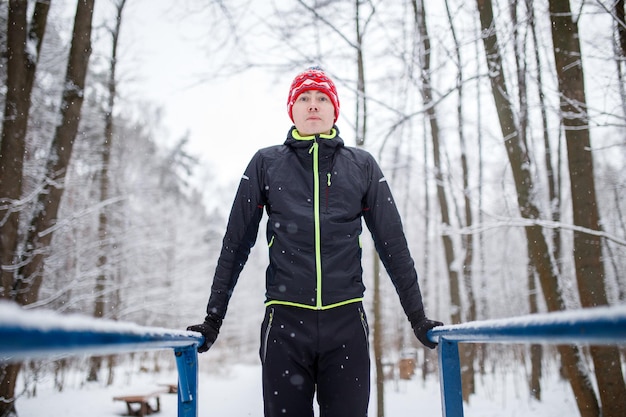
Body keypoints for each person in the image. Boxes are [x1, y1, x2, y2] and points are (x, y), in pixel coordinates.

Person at [188, 66, 443, 417]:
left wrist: (418, 317)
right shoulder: (266, 164)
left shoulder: (362, 166)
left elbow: (393, 245)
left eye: (322, 98)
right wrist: (212, 319)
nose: (313, 105)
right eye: (304, 98)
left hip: (346, 325)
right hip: (285, 325)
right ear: (291, 109)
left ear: (334, 110)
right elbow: (235, 244)